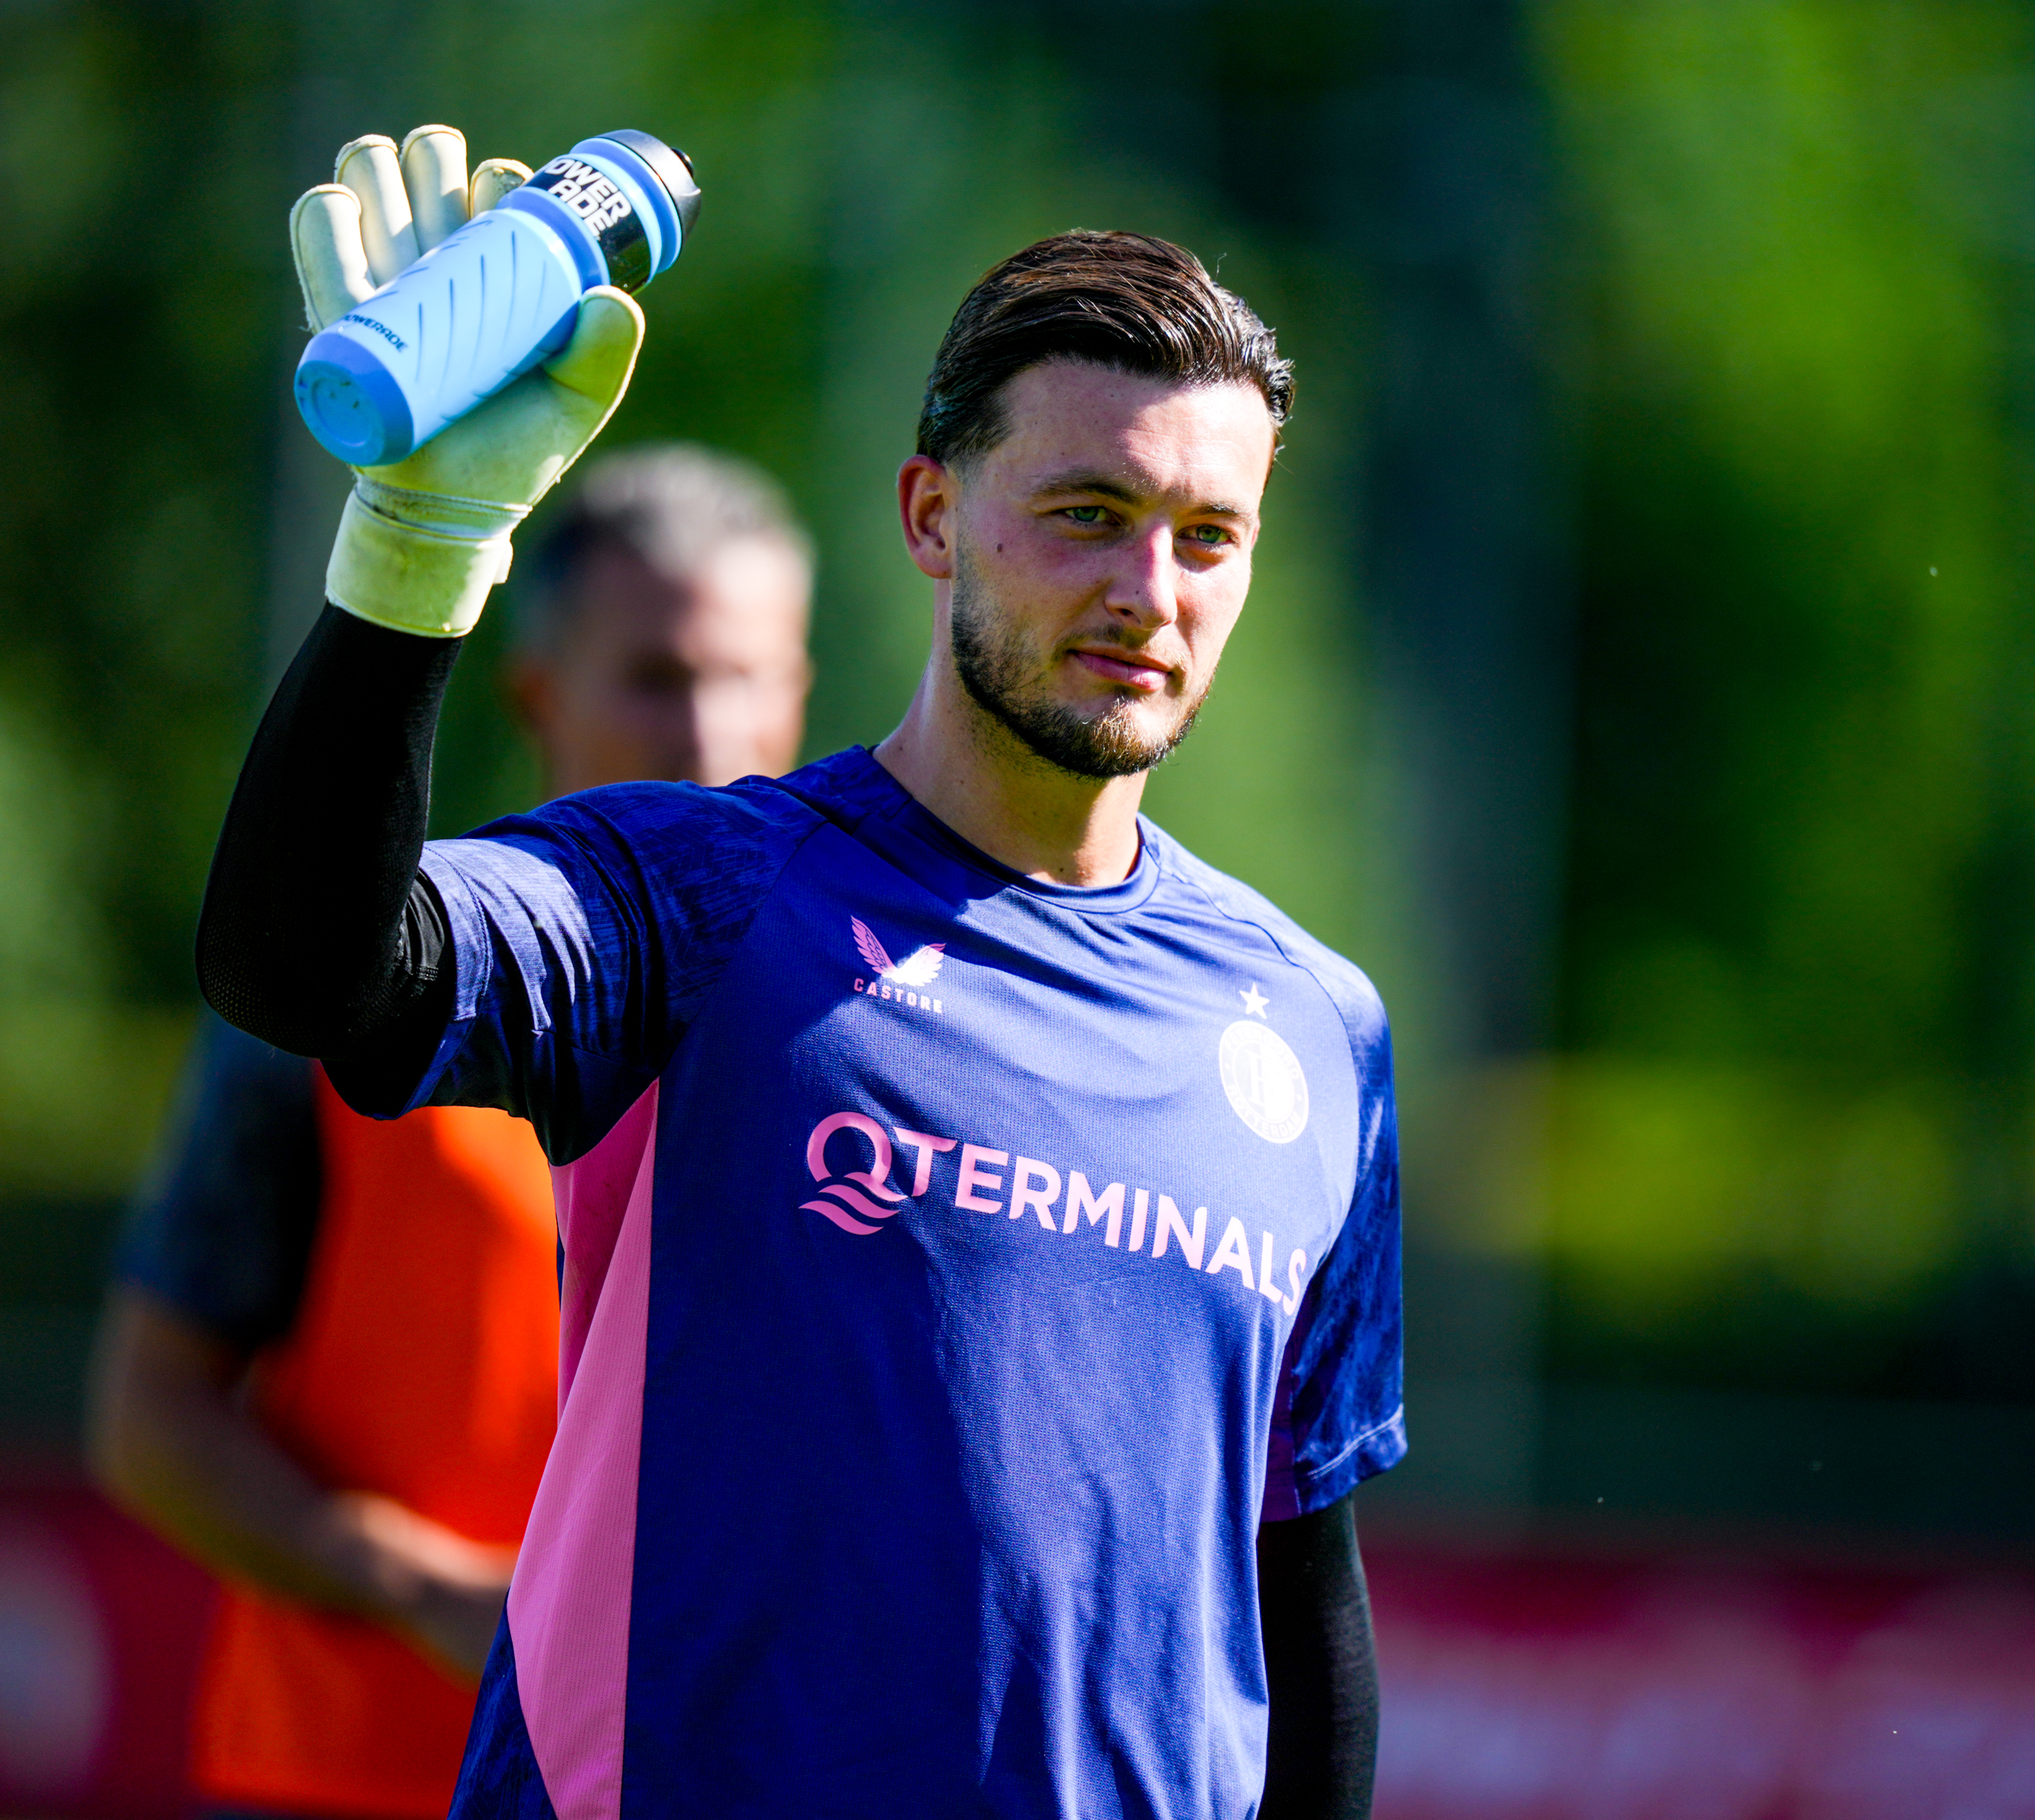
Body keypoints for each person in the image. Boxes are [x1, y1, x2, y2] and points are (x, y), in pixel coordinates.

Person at [197, 123, 1401, 1820]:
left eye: (1209, 535)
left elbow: (1299, 1600)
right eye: (1085, 512)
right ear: (931, 514)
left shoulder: (1315, 1029)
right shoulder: (700, 893)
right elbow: (300, 968)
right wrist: (414, 547)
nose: (1149, 589)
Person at [89, 439, 814, 1820]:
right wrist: (421, 1586)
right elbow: (149, 1418)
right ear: (537, 691)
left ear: (803, 694)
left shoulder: (873, 1032)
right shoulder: (357, 990)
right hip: (346, 1774)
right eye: (657, 677)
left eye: (746, 677)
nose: (708, 732)